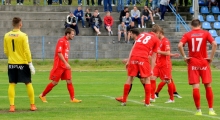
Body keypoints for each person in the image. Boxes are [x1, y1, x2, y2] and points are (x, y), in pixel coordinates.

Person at [178, 19, 217, 115]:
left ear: (191, 25)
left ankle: (198, 110)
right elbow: (215, 44)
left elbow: (180, 45)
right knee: (208, 85)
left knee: (196, 86)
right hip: (204, 61)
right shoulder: (205, 33)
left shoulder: (188, 34)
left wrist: (185, 57)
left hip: (193, 62)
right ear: (200, 25)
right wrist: (211, 57)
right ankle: (211, 109)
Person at [117, 26, 161, 106]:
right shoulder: (156, 40)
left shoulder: (142, 34)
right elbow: (154, 56)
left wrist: (129, 61)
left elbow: (133, 48)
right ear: (157, 33)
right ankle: (147, 103)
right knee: (147, 78)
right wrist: (151, 69)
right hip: (143, 57)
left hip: (134, 56)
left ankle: (124, 101)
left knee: (130, 78)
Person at [39, 28, 82, 103]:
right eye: (72, 34)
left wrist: (66, 63)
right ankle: (42, 95)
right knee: (55, 82)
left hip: (65, 65)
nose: (73, 36)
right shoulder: (61, 41)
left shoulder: (67, 42)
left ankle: (72, 99)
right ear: (67, 34)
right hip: (59, 65)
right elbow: (59, 53)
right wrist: (65, 63)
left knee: (69, 80)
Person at [4, 17, 37, 112]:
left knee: (12, 84)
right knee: (28, 83)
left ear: (12, 24)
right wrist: (30, 63)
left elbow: (6, 51)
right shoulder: (23, 36)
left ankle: (12, 106)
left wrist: (12, 57)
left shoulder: (6, 35)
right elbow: (27, 50)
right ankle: (32, 105)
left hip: (11, 63)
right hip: (23, 63)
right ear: (20, 24)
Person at [150, 28, 180, 103]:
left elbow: (167, 53)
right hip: (158, 64)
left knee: (168, 80)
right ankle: (152, 97)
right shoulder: (158, 41)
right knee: (152, 78)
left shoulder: (165, 41)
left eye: (156, 34)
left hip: (165, 64)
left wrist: (157, 51)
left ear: (160, 33)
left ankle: (171, 99)